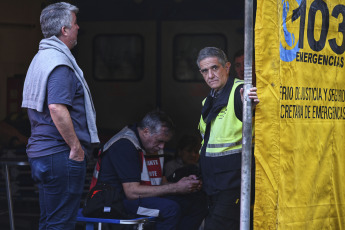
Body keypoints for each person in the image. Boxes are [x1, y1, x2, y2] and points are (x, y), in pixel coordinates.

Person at [21, 2, 99, 229]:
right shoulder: (59, 64)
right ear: (64, 30)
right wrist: (76, 148)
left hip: (43, 153)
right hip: (60, 154)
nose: (78, 28)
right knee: (61, 223)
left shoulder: (40, 59)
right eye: (75, 24)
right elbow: (56, 107)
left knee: (50, 221)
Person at [96, 110, 207, 230]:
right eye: (160, 141)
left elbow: (161, 183)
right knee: (170, 209)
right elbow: (132, 193)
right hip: (115, 203)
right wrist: (176, 188)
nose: (162, 147)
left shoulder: (152, 146)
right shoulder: (125, 145)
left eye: (165, 142)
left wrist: (184, 184)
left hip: (139, 198)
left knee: (197, 204)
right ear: (146, 131)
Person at [196, 47, 259, 229]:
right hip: (213, 183)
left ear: (227, 67)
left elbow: (247, 99)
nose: (210, 75)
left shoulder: (240, 90)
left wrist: (250, 102)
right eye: (205, 71)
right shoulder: (209, 100)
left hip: (234, 183)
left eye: (215, 68)